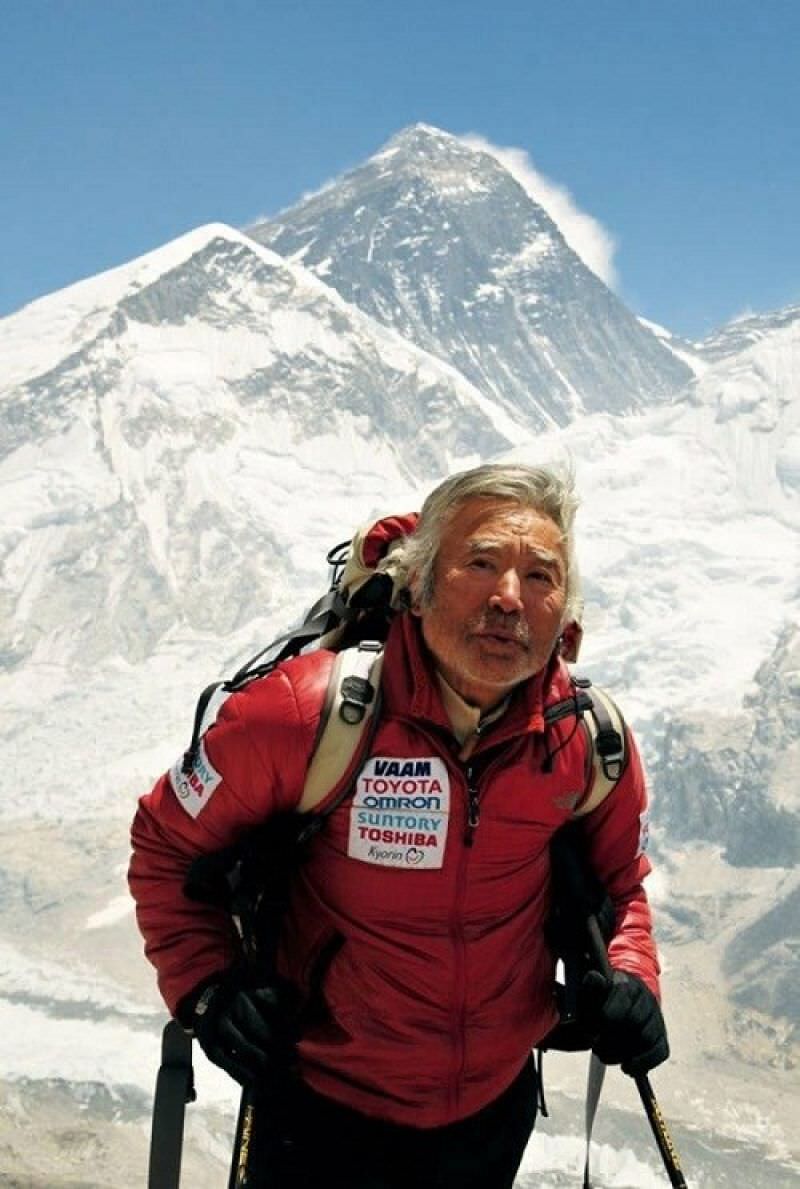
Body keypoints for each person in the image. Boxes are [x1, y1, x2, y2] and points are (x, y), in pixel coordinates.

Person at [129, 462, 668, 1188]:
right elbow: (165, 843)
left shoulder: (590, 741)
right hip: (317, 1112)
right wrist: (206, 989)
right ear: (418, 582)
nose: (510, 597)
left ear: (565, 615)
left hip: (490, 1117)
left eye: (541, 576)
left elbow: (623, 884)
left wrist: (633, 976)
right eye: (481, 563)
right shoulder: (302, 714)